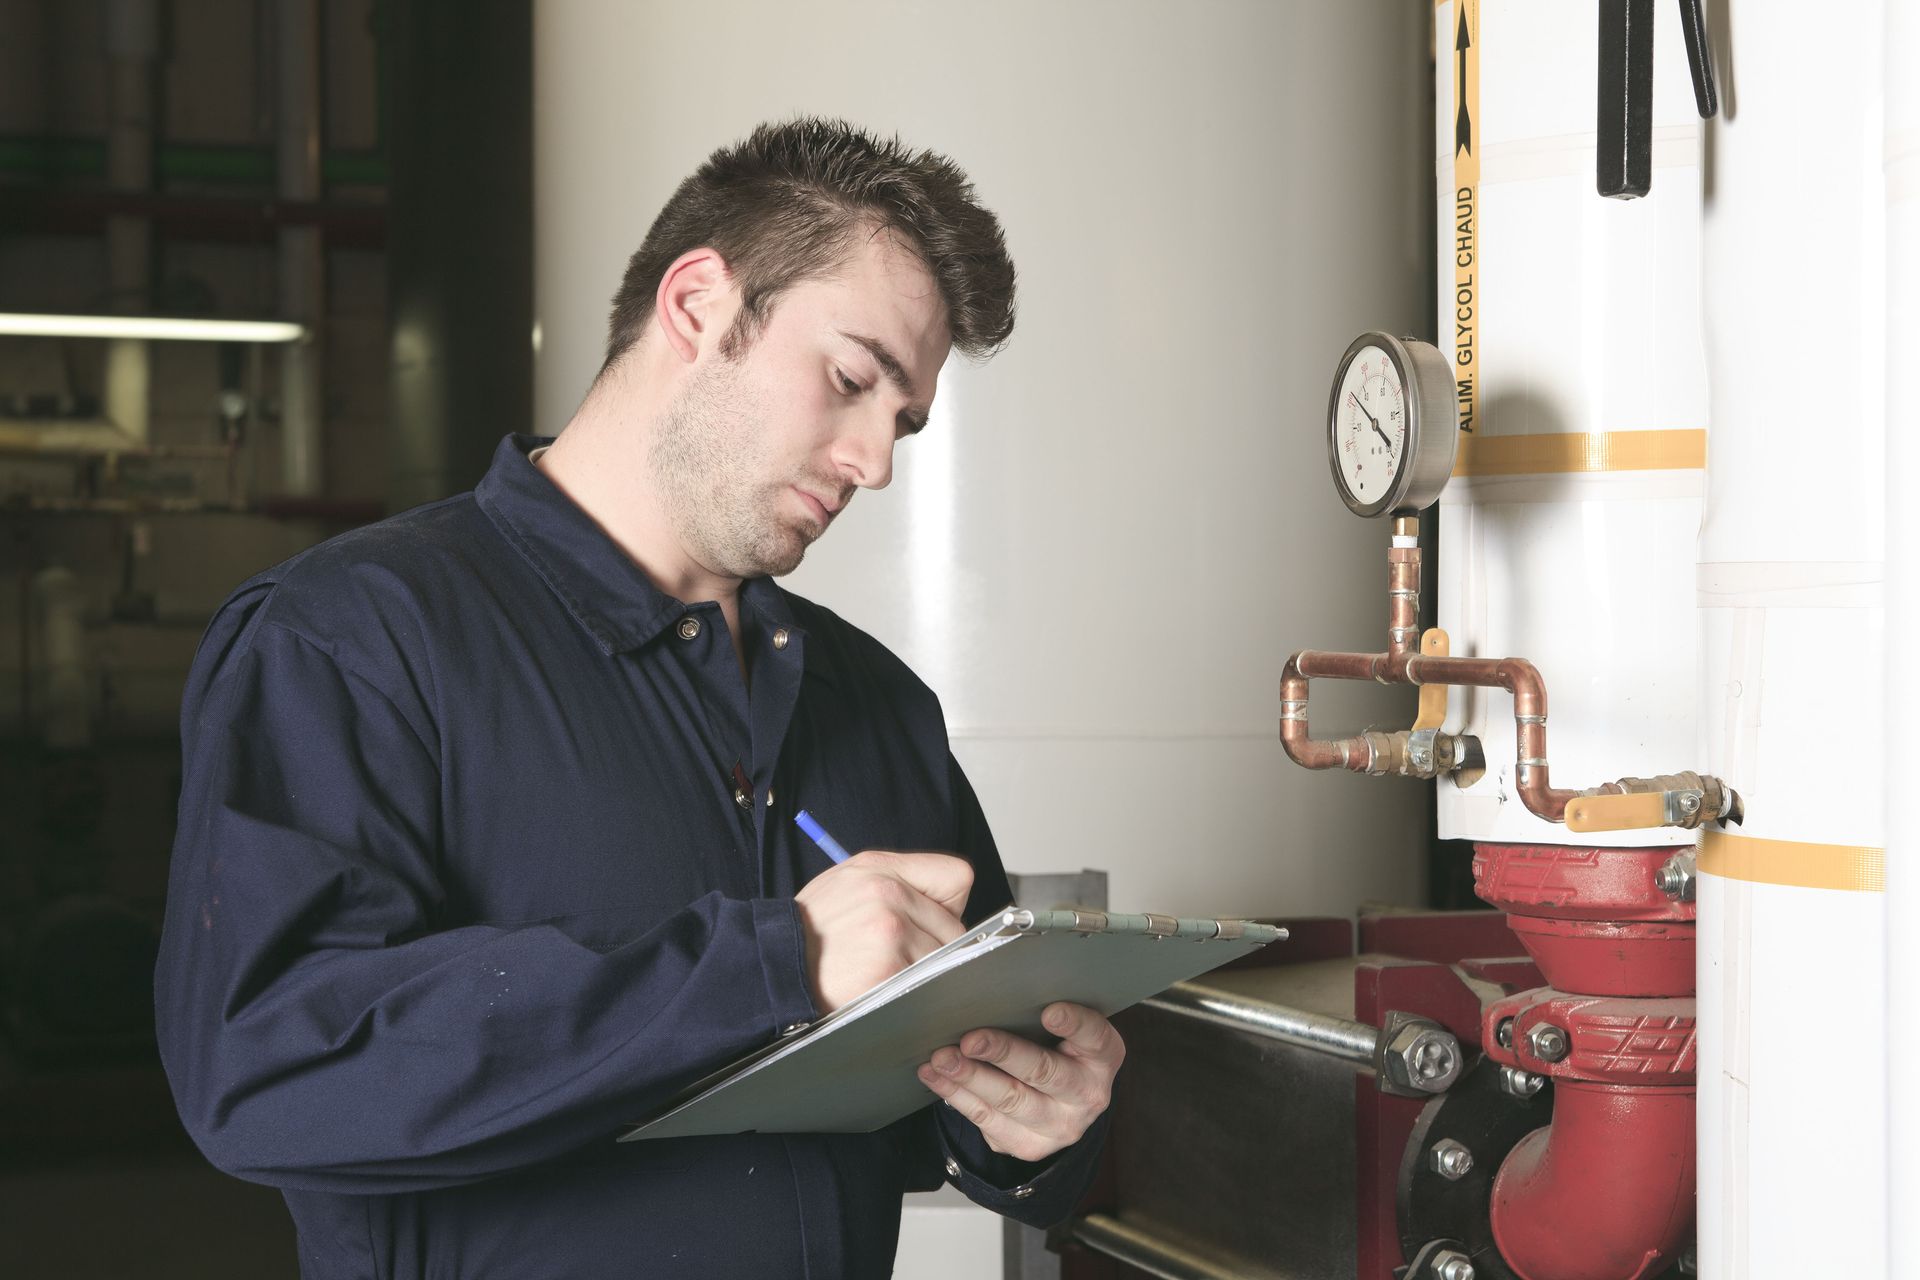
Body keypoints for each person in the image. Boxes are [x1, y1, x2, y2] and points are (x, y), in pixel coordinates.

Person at [155, 118, 1123, 1279]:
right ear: (699, 304)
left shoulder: (878, 703)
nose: (875, 461)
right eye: (852, 379)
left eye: (902, 420)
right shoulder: (355, 636)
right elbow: (270, 1068)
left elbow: (942, 1091)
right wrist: (776, 961)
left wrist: (1026, 1123)